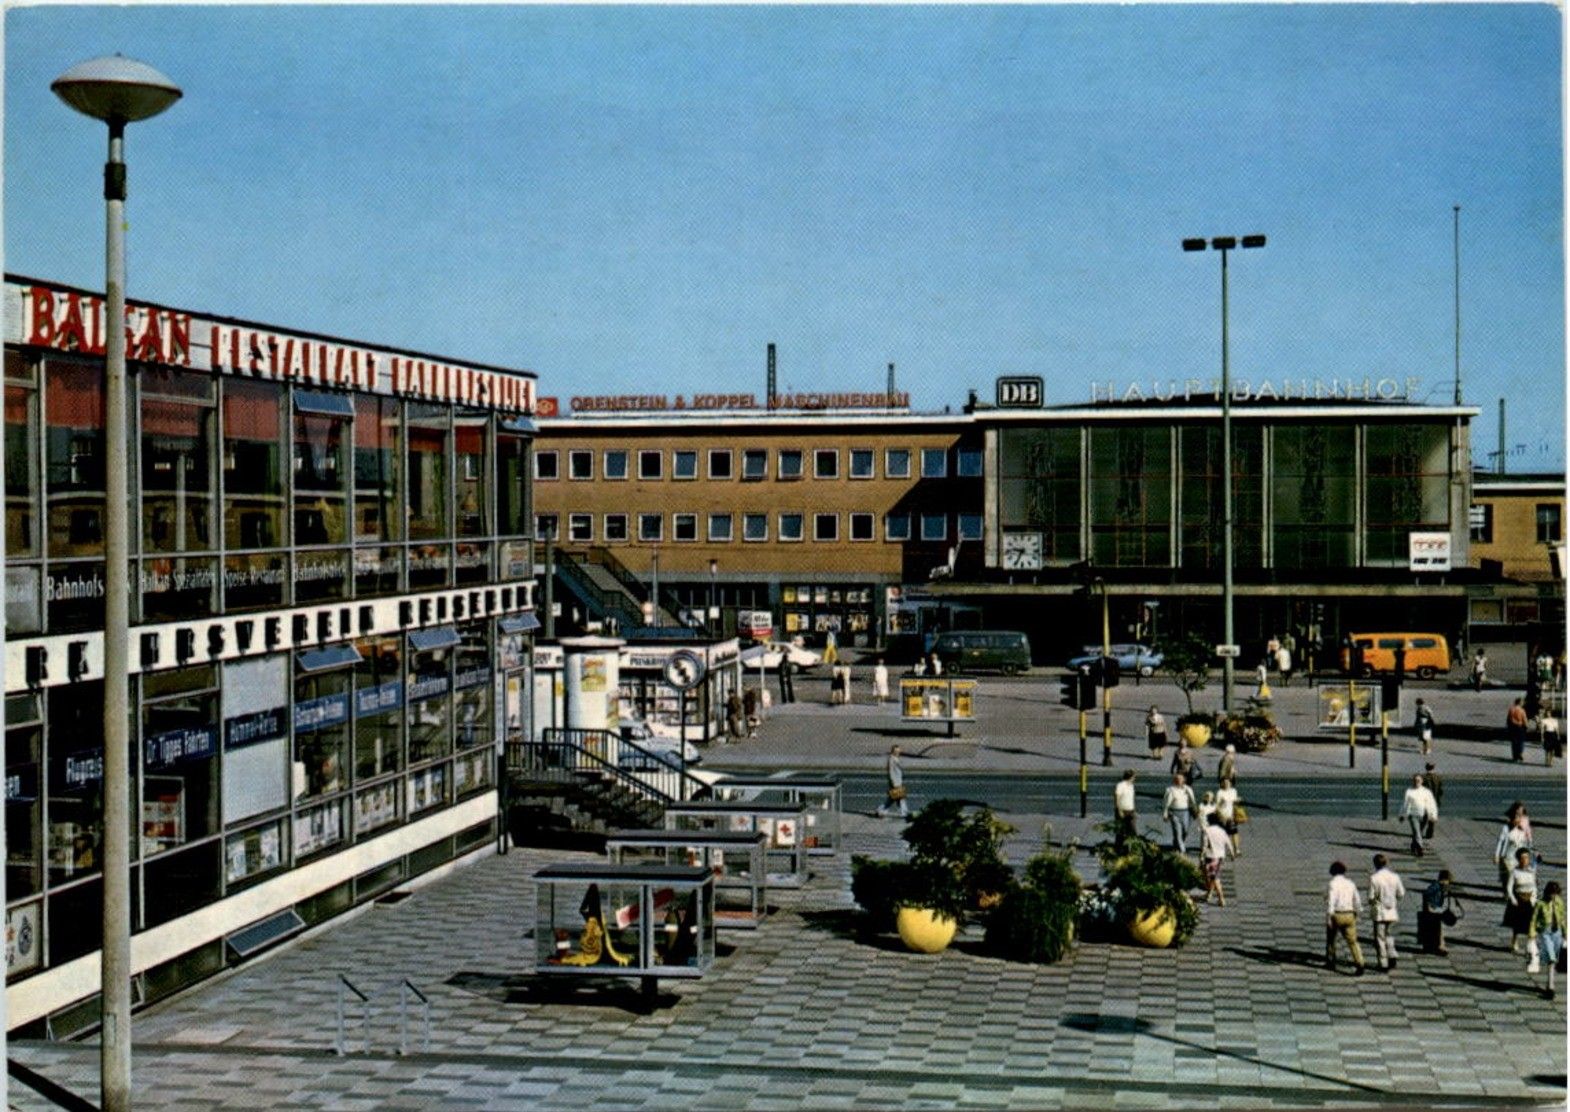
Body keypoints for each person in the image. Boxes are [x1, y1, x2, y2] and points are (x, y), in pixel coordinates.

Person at [1325, 860, 1367, 975]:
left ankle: (1331, 960)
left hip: (1337, 914)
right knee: (1353, 941)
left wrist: (1329, 917)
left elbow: (1331, 901)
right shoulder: (1350, 883)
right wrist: (1358, 912)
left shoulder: (1332, 884)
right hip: (1349, 914)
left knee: (1331, 939)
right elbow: (1357, 900)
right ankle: (1360, 963)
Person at [1367, 854, 1406, 971]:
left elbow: (1371, 897)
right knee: (1389, 935)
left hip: (1379, 912)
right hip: (1392, 911)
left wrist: (1373, 903)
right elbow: (1401, 894)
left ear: (1375, 864)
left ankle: (1383, 962)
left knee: (1380, 938)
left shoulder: (1374, 878)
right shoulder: (1395, 876)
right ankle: (1392, 954)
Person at [1529, 881, 1565, 997]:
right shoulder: (1540, 904)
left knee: (1554, 960)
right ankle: (1550, 986)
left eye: (1555, 894)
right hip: (1545, 931)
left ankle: (1550, 983)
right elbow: (1534, 919)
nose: (1553, 896)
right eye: (1552, 894)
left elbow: (1562, 918)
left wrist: (1566, 933)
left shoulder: (1559, 902)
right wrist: (1532, 934)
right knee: (1551, 957)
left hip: (1557, 932)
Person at [1417, 870, 1461, 956]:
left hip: (1434, 910)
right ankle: (1440, 947)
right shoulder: (1436, 886)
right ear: (1444, 880)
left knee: (1432, 929)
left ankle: (1431, 946)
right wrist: (1429, 906)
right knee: (1437, 929)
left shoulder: (1439, 886)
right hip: (1432, 911)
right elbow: (1427, 894)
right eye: (1448, 882)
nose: (1448, 884)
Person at [1504, 846, 1538, 954]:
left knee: (1531, 924)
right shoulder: (1514, 872)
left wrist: (1534, 898)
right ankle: (1514, 940)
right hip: (1518, 899)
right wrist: (1513, 899)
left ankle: (1530, 945)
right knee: (1517, 924)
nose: (1525, 860)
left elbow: (1534, 886)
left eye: (1527, 858)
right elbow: (1509, 887)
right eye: (1523, 858)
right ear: (1519, 859)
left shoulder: (1531, 871)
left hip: (1529, 900)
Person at [1494, 803, 1534, 888]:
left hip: (1517, 858)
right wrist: (1496, 855)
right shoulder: (1506, 828)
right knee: (1509, 876)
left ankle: (1511, 892)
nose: (1518, 819)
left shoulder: (1522, 829)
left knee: (1515, 878)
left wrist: (1529, 852)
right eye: (1517, 816)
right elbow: (1500, 842)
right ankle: (1508, 891)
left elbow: (1525, 843)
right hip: (1507, 858)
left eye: (1520, 816)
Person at [1398, 774, 1438, 857]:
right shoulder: (1409, 791)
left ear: (1422, 781)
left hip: (1424, 815)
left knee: (1418, 832)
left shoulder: (1426, 792)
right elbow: (1405, 803)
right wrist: (1402, 814)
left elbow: (1431, 804)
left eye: (1418, 780)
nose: (1417, 782)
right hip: (1413, 815)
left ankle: (1414, 844)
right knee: (1417, 832)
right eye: (1415, 780)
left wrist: (1433, 815)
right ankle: (1420, 848)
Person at [1200, 813, 1234, 906]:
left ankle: (1221, 898)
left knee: (1214, 878)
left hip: (1210, 856)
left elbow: (1204, 845)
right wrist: (1232, 853)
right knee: (1213, 876)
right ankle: (1209, 894)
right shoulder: (1222, 831)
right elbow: (1228, 842)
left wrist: (1201, 856)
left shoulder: (1206, 831)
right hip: (1220, 857)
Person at [1161, 772, 1197, 855]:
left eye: (1180, 779)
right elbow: (1165, 804)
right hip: (1174, 812)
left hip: (1185, 812)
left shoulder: (1188, 789)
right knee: (1177, 832)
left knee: (1185, 831)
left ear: (1184, 780)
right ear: (1174, 780)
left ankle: (1177, 845)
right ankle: (1182, 850)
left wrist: (1195, 811)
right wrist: (1165, 814)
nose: (1178, 780)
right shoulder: (1170, 790)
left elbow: (1193, 801)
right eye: (1176, 779)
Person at [875, 745, 908, 819]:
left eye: (899, 750)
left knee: (892, 799)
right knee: (900, 798)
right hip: (895, 782)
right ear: (893, 751)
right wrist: (893, 782)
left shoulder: (895, 758)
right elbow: (891, 771)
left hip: (898, 781)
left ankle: (880, 810)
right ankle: (904, 814)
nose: (898, 752)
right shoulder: (891, 759)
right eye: (896, 751)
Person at [1215, 775, 1242, 856]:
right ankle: (1224, 848)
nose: (1226, 784)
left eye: (1228, 782)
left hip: (1231, 815)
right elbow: (1217, 807)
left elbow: (1234, 803)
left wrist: (1238, 800)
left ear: (1230, 783)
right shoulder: (1220, 792)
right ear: (1222, 784)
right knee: (1224, 833)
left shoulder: (1233, 791)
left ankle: (1237, 849)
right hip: (1222, 816)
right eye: (1224, 782)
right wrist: (1221, 803)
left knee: (1234, 832)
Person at [1113, 769, 1138, 852]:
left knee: (1132, 830)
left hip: (1130, 810)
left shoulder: (1131, 786)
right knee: (1121, 830)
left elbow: (1131, 799)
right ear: (1130, 777)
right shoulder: (1120, 785)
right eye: (1134, 777)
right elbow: (1117, 797)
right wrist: (1119, 810)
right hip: (1122, 810)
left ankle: (1130, 848)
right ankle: (1119, 848)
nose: (1134, 779)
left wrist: (1134, 810)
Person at [1421, 762, 1443, 840]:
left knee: (1424, 817)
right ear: (1433, 768)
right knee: (1432, 818)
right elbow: (1440, 790)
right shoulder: (1438, 777)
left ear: (1426, 768)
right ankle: (1430, 833)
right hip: (1434, 800)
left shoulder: (1423, 777)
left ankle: (1419, 831)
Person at [1507, 698, 1529, 762]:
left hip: (1512, 727)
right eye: (1522, 702)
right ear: (1520, 703)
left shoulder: (1511, 709)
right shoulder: (1522, 710)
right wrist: (1526, 726)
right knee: (1521, 741)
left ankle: (1515, 757)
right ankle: (1520, 753)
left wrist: (1508, 727)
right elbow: (1524, 719)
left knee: (1514, 742)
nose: (1523, 703)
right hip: (1520, 727)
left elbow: (1508, 719)